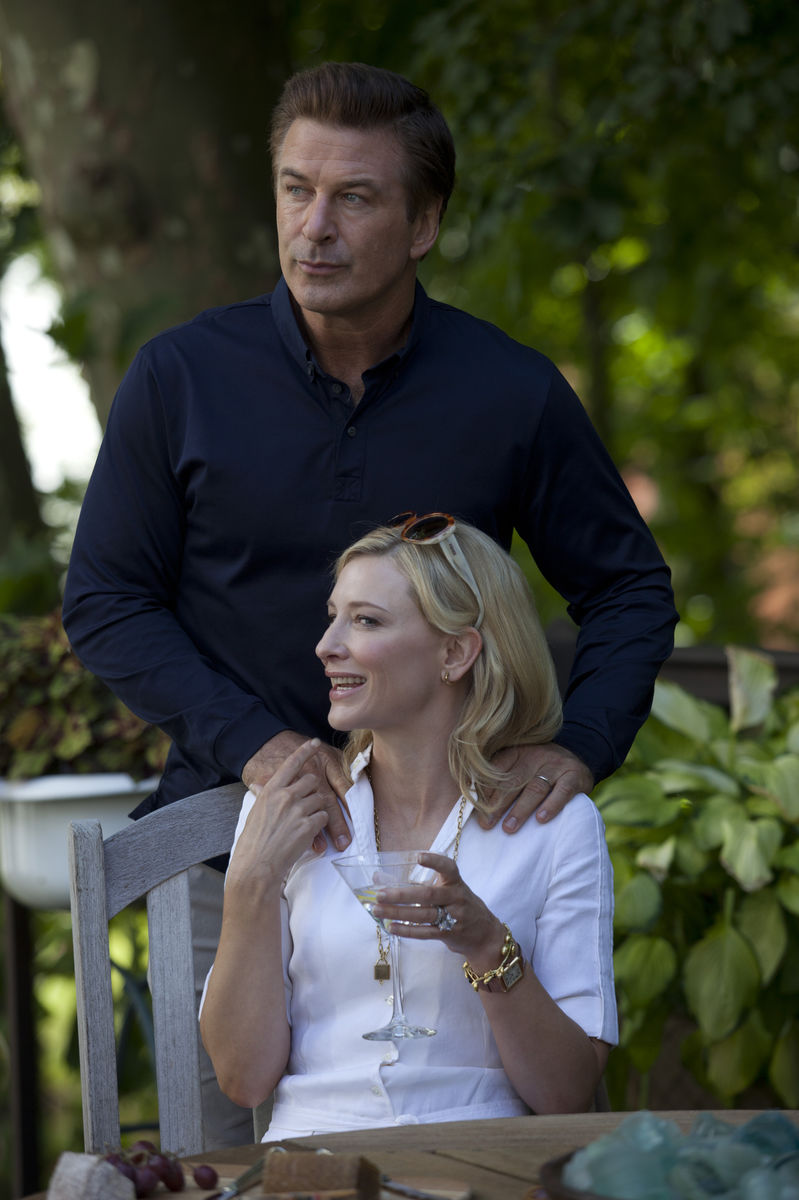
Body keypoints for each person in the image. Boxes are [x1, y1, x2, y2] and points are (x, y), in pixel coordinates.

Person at [62, 61, 674, 1140]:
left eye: (354, 197)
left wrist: (581, 745)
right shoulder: (179, 377)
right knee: (226, 1161)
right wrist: (256, 749)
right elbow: (106, 599)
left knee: (473, 1135)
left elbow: (627, 586)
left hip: (459, 851)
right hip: (230, 852)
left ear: (422, 223)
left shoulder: (508, 392)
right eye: (296, 189)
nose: (315, 228)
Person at [200, 516, 618, 1135]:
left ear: (455, 653)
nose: (326, 645)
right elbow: (243, 1079)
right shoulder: (284, 811)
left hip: (484, 1153)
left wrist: (487, 945)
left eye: (366, 621)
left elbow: (566, 1094)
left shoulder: (554, 823)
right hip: (315, 1157)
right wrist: (250, 883)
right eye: (334, 617)